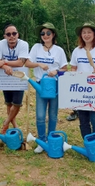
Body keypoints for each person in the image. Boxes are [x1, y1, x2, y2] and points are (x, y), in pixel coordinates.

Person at [25, 23, 68, 153]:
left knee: (53, 115)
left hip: (54, 84)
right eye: (43, 33)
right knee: (40, 115)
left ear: (53, 34)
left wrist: (56, 71)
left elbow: (65, 68)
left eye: (48, 33)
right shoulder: (36, 48)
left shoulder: (59, 50)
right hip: (41, 84)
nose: (45, 36)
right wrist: (38, 64)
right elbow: (27, 63)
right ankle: (42, 140)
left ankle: (51, 138)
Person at [70, 22, 95, 139]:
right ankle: (88, 143)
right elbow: (73, 67)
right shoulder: (77, 51)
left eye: (89, 32)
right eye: (84, 32)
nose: (86, 35)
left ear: (94, 34)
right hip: (81, 91)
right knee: (83, 120)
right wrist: (73, 74)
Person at [0, 23, 29, 133]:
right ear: (5, 36)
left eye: (14, 33)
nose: (11, 36)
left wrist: (4, 62)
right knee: (9, 103)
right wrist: (4, 66)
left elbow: (20, 62)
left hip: (19, 77)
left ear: (18, 34)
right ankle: (14, 126)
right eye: (8, 34)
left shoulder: (24, 44)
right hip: (5, 77)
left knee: (17, 103)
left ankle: (6, 122)